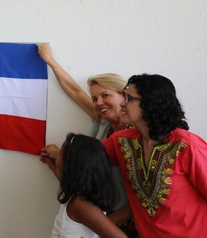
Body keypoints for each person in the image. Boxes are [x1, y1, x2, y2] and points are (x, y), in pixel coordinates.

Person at [38, 44, 136, 234]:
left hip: (124, 222)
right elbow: (75, 92)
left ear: (124, 96)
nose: (99, 103)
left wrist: (60, 153)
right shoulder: (103, 122)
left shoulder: (138, 133)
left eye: (105, 95)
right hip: (98, 218)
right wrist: (50, 62)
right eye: (94, 98)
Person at [102, 73, 207, 237]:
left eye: (129, 98)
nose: (122, 103)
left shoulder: (187, 145)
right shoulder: (121, 142)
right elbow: (85, 156)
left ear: (150, 103)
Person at [41, 132, 127, 238]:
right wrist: (51, 164)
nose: (57, 156)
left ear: (72, 166)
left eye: (60, 154)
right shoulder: (79, 193)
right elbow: (63, 179)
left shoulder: (81, 205)